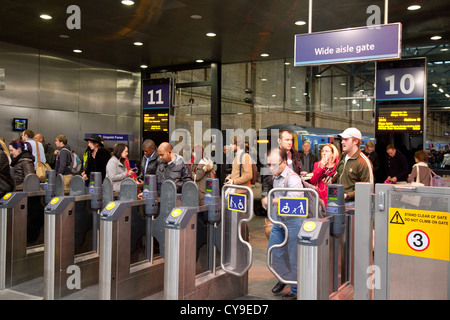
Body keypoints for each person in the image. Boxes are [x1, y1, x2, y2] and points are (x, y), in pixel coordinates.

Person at [261, 148, 304, 300]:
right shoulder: (276, 177)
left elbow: (295, 200)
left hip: (293, 222)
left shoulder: (293, 178)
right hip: (279, 222)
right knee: (274, 253)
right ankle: (284, 277)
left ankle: (296, 290)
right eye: (268, 165)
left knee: (294, 257)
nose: (271, 168)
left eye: (274, 164)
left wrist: (271, 200)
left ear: (284, 163)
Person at [334, 128, 373, 205]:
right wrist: (330, 180)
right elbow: (339, 174)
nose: (342, 142)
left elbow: (367, 188)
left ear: (355, 141)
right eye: (342, 139)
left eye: (346, 139)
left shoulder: (363, 162)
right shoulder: (343, 157)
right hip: (339, 201)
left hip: (354, 203)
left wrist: (347, 195)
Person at [308, 143, 340, 208]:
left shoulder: (338, 166)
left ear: (332, 154)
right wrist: (321, 167)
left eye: (327, 151)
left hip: (333, 195)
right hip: (320, 196)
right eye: (322, 151)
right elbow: (313, 180)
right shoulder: (317, 164)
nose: (324, 153)